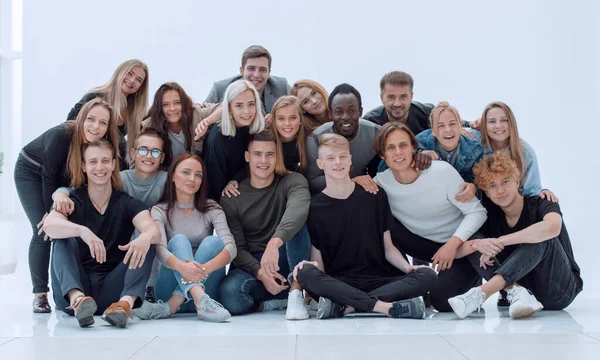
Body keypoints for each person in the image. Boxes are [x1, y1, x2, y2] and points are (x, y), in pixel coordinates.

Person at [294, 134, 438, 320]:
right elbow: (318, 259)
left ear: (350, 159)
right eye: (331, 158)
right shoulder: (314, 207)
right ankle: (383, 307)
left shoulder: (374, 195)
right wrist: (311, 274)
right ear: (321, 164)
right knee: (305, 272)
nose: (338, 162)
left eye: (343, 156)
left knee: (428, 275)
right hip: (340, 283)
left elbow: (388, 248)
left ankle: (348, 307)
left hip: (379, 280)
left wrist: (407, 268)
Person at [448, 151, 583, 319]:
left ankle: (481, 294)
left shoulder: (542, 202)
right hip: (518, 294)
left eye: (505, 182)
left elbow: (553, 227)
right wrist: (477, 245)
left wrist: (501, 241)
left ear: (517, 181)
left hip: (558, 291)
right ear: (486, 191)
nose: (500, 190)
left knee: (542, 237)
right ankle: (516, 291)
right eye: (492, 185)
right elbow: (457, 251)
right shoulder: (487, 214)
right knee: (477, 240)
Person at [14, 98, 120, 313]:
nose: (95, 127)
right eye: (91, 119)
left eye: (102, 123)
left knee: (62, 229)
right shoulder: (61, 135)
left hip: (59, 178)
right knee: (42, 230)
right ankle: (40, 294)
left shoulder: (99, 143)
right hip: (32, 171)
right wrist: (49, 213)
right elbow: (48, 175)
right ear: (81, 119)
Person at [42, 139, 161, 328]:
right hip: (73, 288)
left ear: (114, 164)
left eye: (105, 161)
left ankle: (124, 306)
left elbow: (153, 230)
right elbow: (49, 226)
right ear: (83, 166)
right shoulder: (71, 200)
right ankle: (79, 301)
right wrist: (82, 231)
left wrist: (145, 237)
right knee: (61, 239)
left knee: (148, 242)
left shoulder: (127, 202)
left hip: (112, 291)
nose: (100, 167)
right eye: (93, 161)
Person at [373, 122, 488, 312]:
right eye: (390, 148)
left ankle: (480, 279)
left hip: (461, 244)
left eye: (403, 145)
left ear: (413, 147)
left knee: (441, 302)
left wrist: (452, 244)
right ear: (382, 155)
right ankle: (402, 282)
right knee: (385, 224)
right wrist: (358, 179)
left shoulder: (440, 172)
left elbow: (478, 212)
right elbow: (352, 192)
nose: (398, 152)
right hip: (425, 247)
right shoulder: (382, 182)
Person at [218, 130, 311, 317]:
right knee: (229, 295)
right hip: (253, 266)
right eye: (257, 154)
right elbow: (237, 247)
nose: (264, 161)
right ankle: (274, 303)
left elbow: (298, 209)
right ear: (247, 157)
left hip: (286, 257)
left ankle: (295, 292)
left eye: (270, 154)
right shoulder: (231, 197)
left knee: (298, 224)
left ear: (278, 157)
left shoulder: (292, 181)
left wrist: (275, 242)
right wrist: (260, 272)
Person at [134, 153, 235, 323]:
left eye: (198, 175)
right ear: (173, 176)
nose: (192, 179)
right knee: (179, 240)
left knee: (214, 242)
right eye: (186, 172)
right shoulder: (160, 210)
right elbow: (159, 250)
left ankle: (175, 305)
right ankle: (197, 297)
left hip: (207, 291)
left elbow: (231, 248)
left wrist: (201, 270)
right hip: (169, 289)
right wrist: (183, 268)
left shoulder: (212, 208)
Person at [306, 83, 433, 194]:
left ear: (360, 112)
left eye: (352, 111)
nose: (345, 117)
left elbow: (400, 148)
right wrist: (349, 181)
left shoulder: (374, 131)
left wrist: (419, 153)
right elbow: (313, 182)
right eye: (339, 112)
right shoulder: (316, 138)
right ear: (330, 114)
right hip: (332, 193)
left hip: (367, 188)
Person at [67, 59, 149, 170]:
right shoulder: (95, 97)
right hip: (82, 155)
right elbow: (70, 123)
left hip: (107, 159)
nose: (132, 80)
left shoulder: (135, 111)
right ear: (120, 72)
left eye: (139, 80)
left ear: (140, 87)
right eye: (129, 73)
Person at [473, 101, 556, 200]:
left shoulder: (526, 153)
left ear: (512, 123)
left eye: (504, 120)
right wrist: (469, 123)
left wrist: (542, 193)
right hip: (477, 202)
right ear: (484, 125)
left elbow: (531, 192)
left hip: (506, 206)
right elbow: (451, 125)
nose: (498, 126)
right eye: (492, 121)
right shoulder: (474, 139)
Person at [203, 79, 266, 201]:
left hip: (247, 182)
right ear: (229, 109)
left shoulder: (258, 130)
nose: (247, 111)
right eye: (239, 105)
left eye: (251, 104)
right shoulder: (218, 137)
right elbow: (214, 180)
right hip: (224, 194)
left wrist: (236, 179)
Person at [415, 101, 484, 200]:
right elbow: (403, 152)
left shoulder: (476, 150)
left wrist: (474, 188)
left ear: (460, 126)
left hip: (457, 199)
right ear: (433, 131)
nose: (448, 130)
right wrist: (419, 152)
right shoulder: (420, 141)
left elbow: (480, 184)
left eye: (452, 124)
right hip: (429, 196)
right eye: (441, 126)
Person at [143, 82, 221, 168]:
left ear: (184, 103)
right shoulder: (149, 127)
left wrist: (207, 122)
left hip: (196, 173)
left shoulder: (196, 114)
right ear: (159, 108)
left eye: (177, 102)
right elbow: (138, 161)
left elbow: (225, 108)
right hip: (166, 176)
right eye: (165, 105)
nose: (172, 108)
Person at [205, 45, 290, 114]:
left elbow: (300, 109)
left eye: (262, 69)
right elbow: (200, 114)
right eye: (251, 68)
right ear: (241, 71)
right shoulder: (220, 89)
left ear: (269, 73)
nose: (256, 75)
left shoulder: (282, 87)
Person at [363, 71, 434, 135]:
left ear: (411, 97)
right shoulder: (369, 123)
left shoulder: (429, 115)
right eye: (391, 97)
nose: (397, 104)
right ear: (381, 98)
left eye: (403, 97)